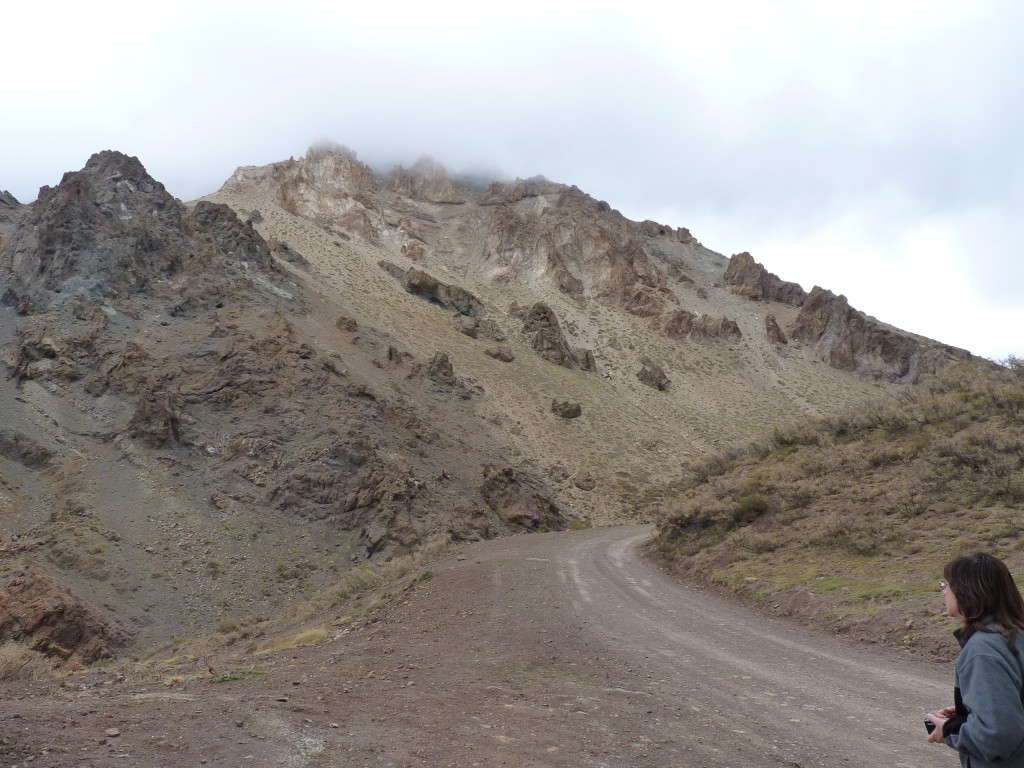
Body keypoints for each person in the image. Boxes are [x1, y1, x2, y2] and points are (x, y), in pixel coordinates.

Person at [926, 552, 1024, 767]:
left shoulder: (983, 650)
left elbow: (998, 735)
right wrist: (969, 710)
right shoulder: (1016, 636)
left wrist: (950, 729)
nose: (944, 592)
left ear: (965, 592)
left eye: (945, 585)